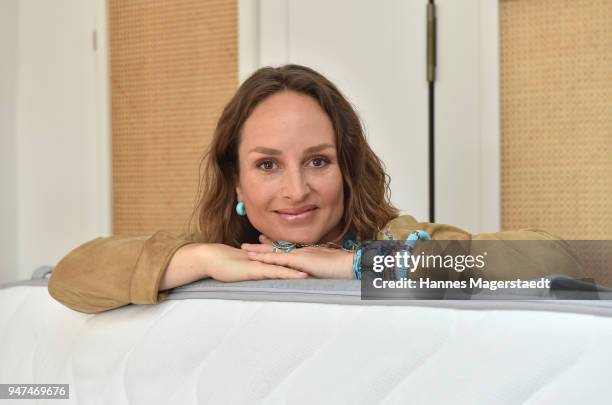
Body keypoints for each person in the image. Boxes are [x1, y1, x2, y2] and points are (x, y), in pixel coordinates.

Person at [48, 64, 582, 314]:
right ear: (235, 177)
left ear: (347, 168)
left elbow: (553, 257)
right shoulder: (223, 251)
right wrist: (207, 257)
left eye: (318, 161)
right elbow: (70, 277)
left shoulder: (396, 238)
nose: (296, 190)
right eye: (267, 165)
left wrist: (357, 265)